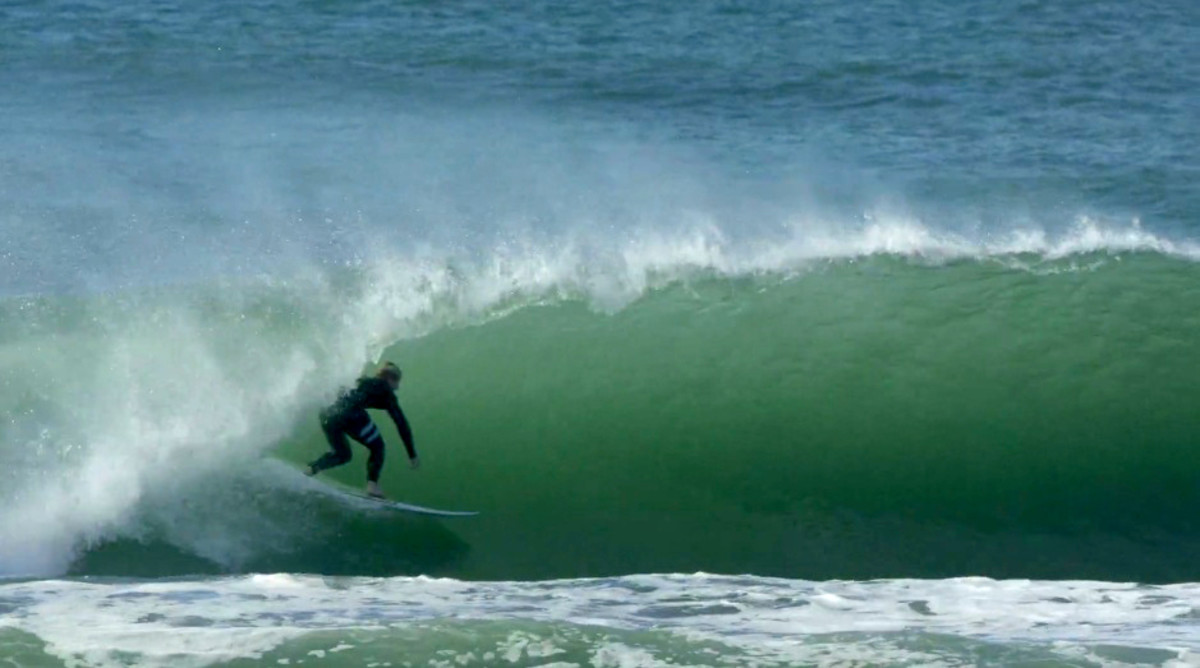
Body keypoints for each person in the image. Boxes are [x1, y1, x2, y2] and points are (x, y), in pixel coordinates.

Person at [306, 361, 419, 498]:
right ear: (389, 378)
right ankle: (372, 486)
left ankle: (312, 469)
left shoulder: (362, 380)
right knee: (378, 446)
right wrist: (412, 454)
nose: (397, 387)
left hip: (327, 412)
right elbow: (401, 423)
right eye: (397, 381)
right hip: (350, 414)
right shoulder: (385, 390)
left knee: (343, 454)